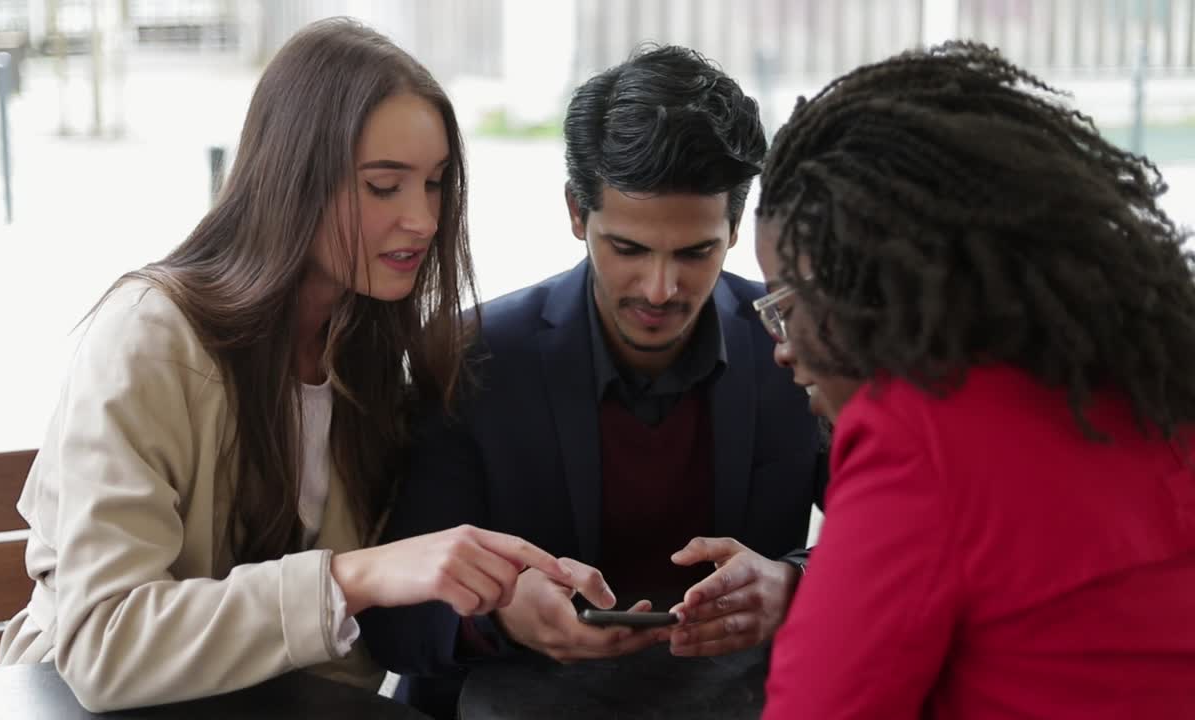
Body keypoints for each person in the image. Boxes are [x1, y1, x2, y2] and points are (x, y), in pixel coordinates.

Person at [0, 18, 573, 713]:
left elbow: (364, 640)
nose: (422, 219)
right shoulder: (150, 337)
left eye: (437, 183)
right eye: (384, 185)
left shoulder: (364, 352)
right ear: (294, 178)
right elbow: (105, 644)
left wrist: (502, 596)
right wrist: (353, 576)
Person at [360, 45, 825, 717]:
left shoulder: (797, 349)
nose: (660, 289)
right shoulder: (469, 356)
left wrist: (796, 585)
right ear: (578, 213)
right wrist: (499, 614)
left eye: (696, 253)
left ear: (735, 230)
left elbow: (909, 542)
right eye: (628, 249)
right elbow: (393, 624)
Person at [754, 41, 1195, 719]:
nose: (782, 349)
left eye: (786, 307)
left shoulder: (919, 440)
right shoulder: (1159, 383)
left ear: (869, 290)